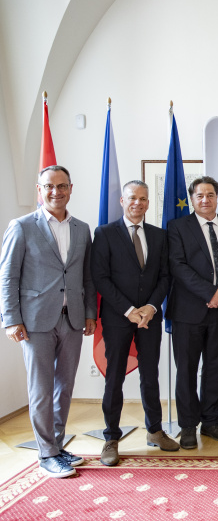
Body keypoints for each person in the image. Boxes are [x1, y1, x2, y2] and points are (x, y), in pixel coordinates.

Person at [0, 165, 96, 478]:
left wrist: (91, 314)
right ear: (40, 190)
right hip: (35, 321)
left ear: (71, 188)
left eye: (62, 186)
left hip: (72, 319)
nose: (56, 192)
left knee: (64, 387)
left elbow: (86, 275)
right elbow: (8, 275)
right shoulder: (22, 226)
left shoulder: (82, 228)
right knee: (41, 389)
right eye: (49, 186)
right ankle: (46, 454)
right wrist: (11, 319)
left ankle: (56, 443)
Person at [91, 180, 179, 466]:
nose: (138, 203)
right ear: (122, 201)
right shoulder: (104, 234)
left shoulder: (159, 235)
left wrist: (152, 307)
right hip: (118, 318)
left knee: (150, 375)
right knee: (114, 377)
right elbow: (101, 277)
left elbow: (165, 276)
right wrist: (129, 310)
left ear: (148, 202)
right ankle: (111, 438)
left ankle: (154, 430)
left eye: (143, 198)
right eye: (132, 198)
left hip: (149, 319)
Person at [166, 176, 218, 449]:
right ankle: (188, 425)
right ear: (192, 198)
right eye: (200, 195)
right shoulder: (177, 227)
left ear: (217, 196)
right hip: (188, 312)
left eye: (210, 194)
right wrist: (208, 292)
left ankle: (211, 421)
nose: (205, 199)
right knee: (187, 371)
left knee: (214, 368)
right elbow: (178, 266)